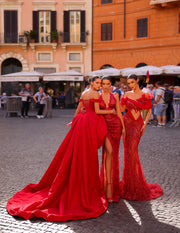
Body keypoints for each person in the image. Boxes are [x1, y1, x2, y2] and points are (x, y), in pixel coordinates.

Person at [6, 76, 116, 222]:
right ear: (92, 83)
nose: (99, 85)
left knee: (78, 151)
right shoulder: (95, 94)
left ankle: (84, 178)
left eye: (100, 83)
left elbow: (78, 110)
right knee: (87, 153)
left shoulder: (84, 93)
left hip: (81, 122)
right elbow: (95, 111)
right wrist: (110, 111)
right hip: (90, 122)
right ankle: (91, 183)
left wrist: (74, 121)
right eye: (97, 83)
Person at [119, 74, 163, 201]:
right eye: (129, 83)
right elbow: (122, 110)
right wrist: (118, 101)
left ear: (137, 81)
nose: (130, 85)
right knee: (128, 153)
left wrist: (144, 125)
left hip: (138, 124)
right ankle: (129, 184)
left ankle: (136, 184)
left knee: (133, 151)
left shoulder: (145, 95)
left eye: (132, 82)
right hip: (127, 123)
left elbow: (149, 111)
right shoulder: (126, 95)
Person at [99, 76, 125, 203]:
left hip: (116, 126)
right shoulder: (97, 97)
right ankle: (107, 186)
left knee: (112, 155)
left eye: (107, 83)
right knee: (108, 152)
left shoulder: (115, 96)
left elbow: (119, 112)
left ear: (110, 85)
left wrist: (123, 127)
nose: (105, 86)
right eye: (103, 84)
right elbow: (94, 112)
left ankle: (110, 187)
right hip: (104, 126)